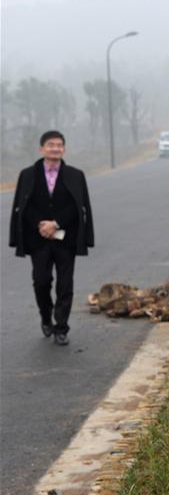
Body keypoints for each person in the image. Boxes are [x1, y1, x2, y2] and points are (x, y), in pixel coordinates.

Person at [9, 130, 94, 345]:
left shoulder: (76, 175)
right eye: (50, 145)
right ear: (42, 149)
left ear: (64, 149)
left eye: (59, 145)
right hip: (38, 239)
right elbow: (23, 206)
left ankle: (61, 327)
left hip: (66, 238)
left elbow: (77, 207)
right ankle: (46, 317)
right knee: (41, 281)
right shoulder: (27, 175)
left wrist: (55, 224)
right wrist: (42, 225)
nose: (55, 148)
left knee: (65, 284)